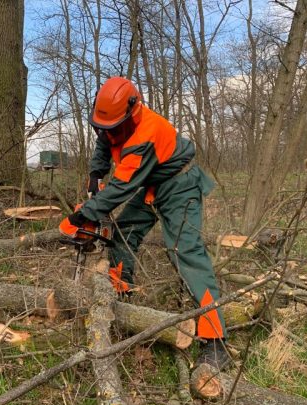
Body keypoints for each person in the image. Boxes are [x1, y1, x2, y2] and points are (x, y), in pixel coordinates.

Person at [58, 76, 230, 369]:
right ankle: (120, 297)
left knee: (185, 251)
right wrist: (95, 175)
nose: (109, 132)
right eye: (104, 126)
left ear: (133, 110)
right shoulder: (114, 123)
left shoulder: (146, 133)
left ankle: (216, 341)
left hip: (179, 184)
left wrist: (84, 215)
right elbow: (104, 139)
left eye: (114, 127)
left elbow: (122, 187)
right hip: (154, 182)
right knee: (124, 231)